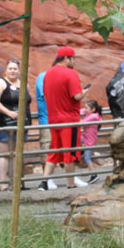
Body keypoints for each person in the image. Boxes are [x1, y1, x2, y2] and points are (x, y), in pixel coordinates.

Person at [42, 47, 87, 189]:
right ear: (67, 58)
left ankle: (44, 181)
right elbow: (76, 96)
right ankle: (70, 183)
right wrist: (84, 92)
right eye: (73, 59)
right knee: (70, 152)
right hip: (69, 120)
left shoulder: (48, 74)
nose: (74, 62)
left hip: (54, 119)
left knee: (54, 151)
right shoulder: (70, 73)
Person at [0, 59, 31, 189]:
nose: (13, 71)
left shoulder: (24, 84)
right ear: (5, 70)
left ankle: (16, 182)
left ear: (19, 71)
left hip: (21, 122)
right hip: (5, 122)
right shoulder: (0, 82)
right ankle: (3, 183)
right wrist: (9, 113)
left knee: (17, 152)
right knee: (5, 152)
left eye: (15, 69)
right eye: (10, 68)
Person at [77, 99, 103, 185]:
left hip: (89, 141)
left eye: (87, 108)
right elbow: (81, 110)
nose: (85, 110)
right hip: (85, 137)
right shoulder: (91, 113)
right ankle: (79, 153)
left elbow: (81, 122)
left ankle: (94, 175)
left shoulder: (93, 117)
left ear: (93, 109)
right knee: (76, 139)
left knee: (87, 158)